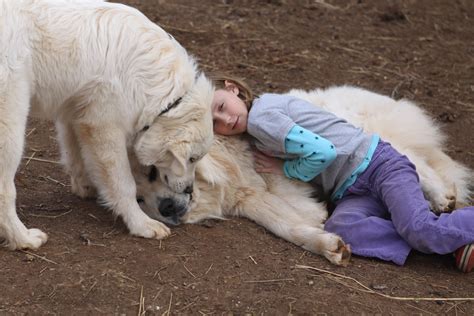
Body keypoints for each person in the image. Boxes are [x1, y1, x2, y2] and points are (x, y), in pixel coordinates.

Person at [210, 73, 474, 273]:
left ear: (233, 89)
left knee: (417, 228)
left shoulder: (262, 117)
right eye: (214, 123)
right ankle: (443, 238)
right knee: (341, 227)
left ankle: (434, 233)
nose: (225, 120)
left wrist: (285, 168)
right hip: (352, 187)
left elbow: (323, 151)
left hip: (378, 167)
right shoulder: (258, 126)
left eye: (222, 107)